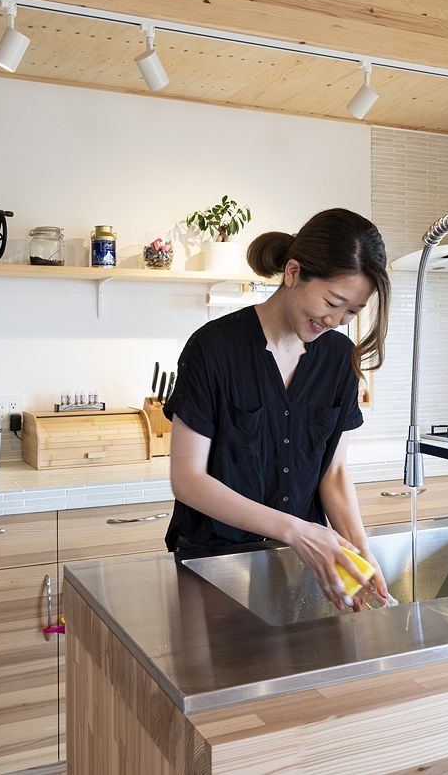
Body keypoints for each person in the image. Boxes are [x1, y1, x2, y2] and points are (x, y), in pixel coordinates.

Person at [163, 208, 392, 609]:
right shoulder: (213, 349)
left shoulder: (340, 359)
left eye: (352, 312)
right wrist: (298, 531)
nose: (335, 320)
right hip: (213, 564)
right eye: (332, 301)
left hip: (301, 566)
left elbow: (333, 473)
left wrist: (359, 551)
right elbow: (189, 479)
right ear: (292, 273)